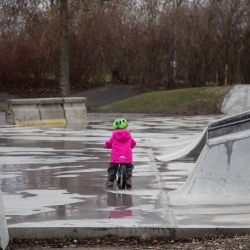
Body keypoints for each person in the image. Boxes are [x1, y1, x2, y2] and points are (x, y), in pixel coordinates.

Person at [104, 118, 136, 188]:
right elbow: (133, 143)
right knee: (129, 168)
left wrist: (106, 145)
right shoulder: (128, 135)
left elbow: (109, 143)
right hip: (127, 156)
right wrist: (132, 146)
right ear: (126, 127)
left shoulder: (114, 135)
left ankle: (110, 181)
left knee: (112, 168)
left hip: (116, 156)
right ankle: (128, 179)